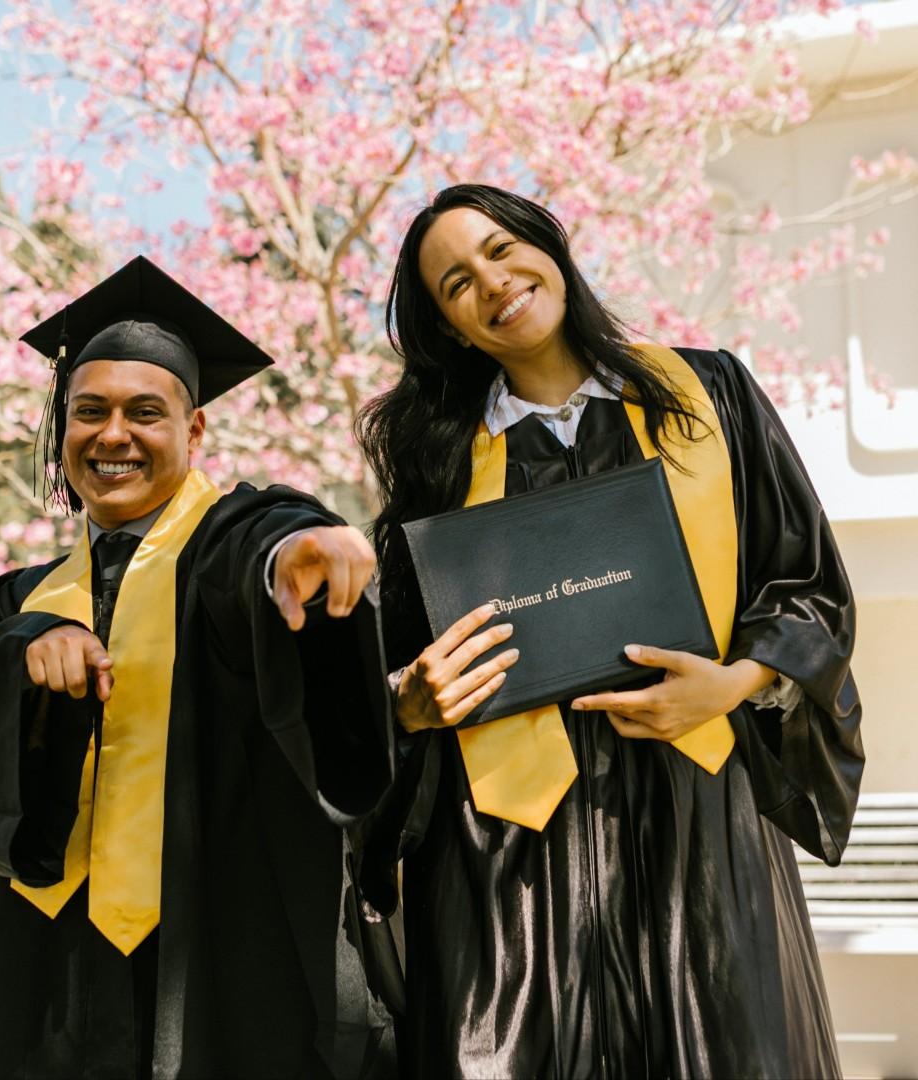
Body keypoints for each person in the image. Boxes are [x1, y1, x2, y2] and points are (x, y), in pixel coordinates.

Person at [354, 185, 864, 1078]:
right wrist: (409, 703)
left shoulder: (707, 394)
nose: (494, 282)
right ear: (450, 329)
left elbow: (807, 582)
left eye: (502, 248)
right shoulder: (441, 461)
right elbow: (394, 671)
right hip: (504, 852)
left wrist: (738, 681)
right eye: (456, 283)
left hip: (696, 819)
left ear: (548, 243)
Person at [0, 256, 396, 1079]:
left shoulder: (226, 545)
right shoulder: (25, 594)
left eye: (145, 412)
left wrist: (299, 552)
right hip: (55, 975)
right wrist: (22, 652)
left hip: (219, 963)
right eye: (88, 412)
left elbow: (263, 544)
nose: (113, 435)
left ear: (194, 432)